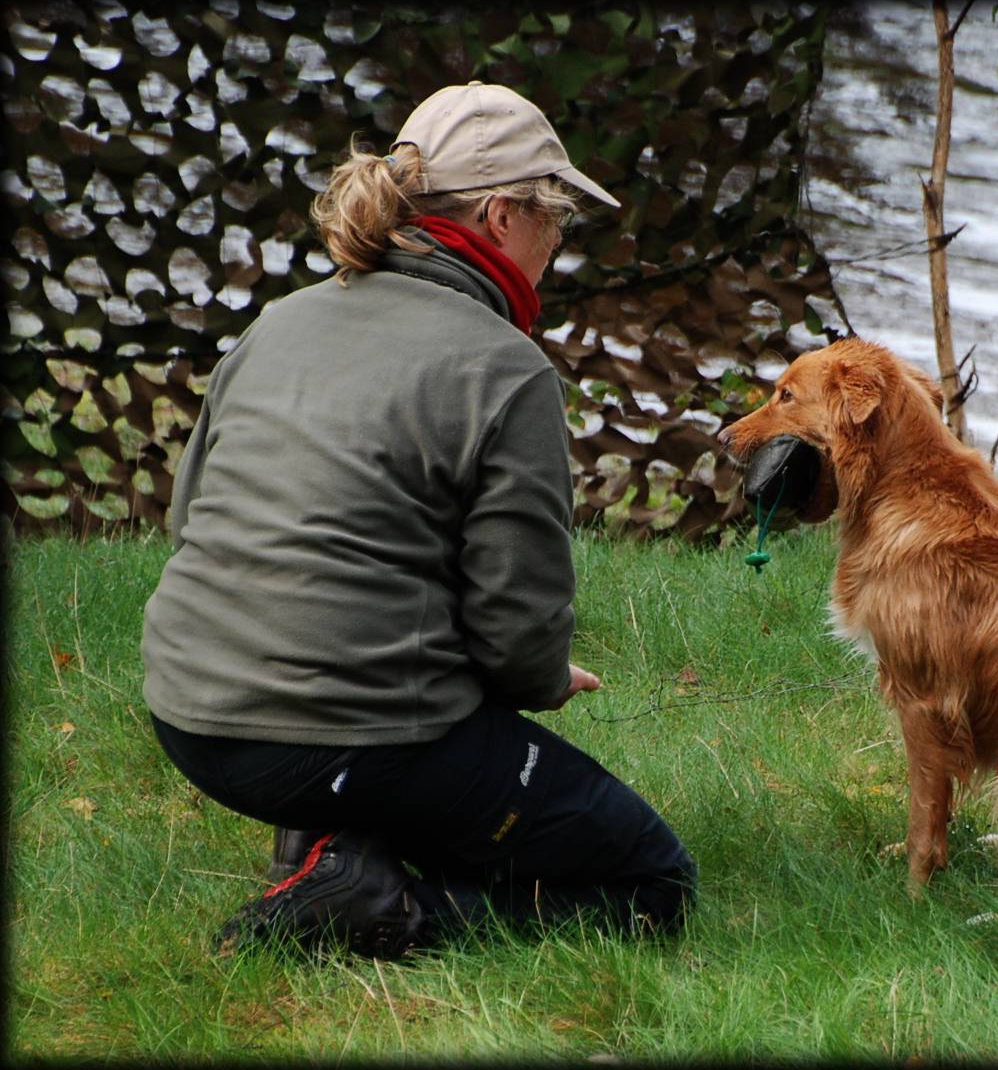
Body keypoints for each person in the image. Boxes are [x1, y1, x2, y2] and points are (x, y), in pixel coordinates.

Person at [140, 82, 697, 959]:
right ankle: (368, 909)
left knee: (435, 765)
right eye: (555, 219)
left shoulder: (278, 322)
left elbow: (188, 520)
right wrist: (540, 679)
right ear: (502, 214)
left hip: (187, 713)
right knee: (647, 882)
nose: (557, 243)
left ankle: (332, 839)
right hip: (331, 733)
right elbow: (517, 637)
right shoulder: (505, 367)